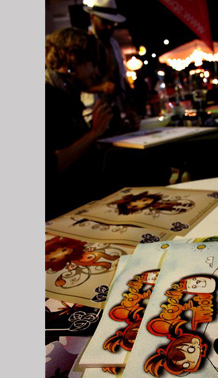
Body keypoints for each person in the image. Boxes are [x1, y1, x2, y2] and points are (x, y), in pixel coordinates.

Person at [45, 27, 114, 221]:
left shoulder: (65, 92)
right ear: (72, 58)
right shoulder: (49, 96)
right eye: (92, 63)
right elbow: (50, 166)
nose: (96, 72)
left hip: (80, 204)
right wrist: (93, 133)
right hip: (64, 212)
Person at [83, 0, 140, 135]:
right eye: (104, 22)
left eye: (112, 23)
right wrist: (101, 87)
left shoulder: (113, 44)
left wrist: (129, 107)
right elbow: (76, 84)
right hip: (92, 115)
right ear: (92, 17)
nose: (109, 27)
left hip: (115, 113)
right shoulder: (84, 43)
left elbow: (121, 77)